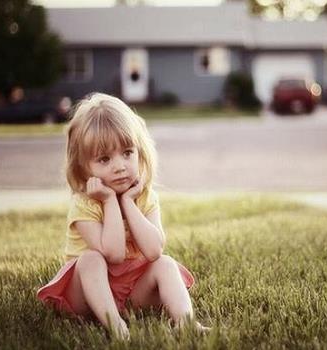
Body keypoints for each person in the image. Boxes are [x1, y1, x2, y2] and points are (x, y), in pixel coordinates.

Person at [37, 92, 208, 339]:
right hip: (88, 291)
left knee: (166, 264)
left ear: (140, 152)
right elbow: (114, 254)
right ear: (83, 167)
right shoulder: (84, 204)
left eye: (127, 153)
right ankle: (115, 324)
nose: (119, 166)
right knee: (90, 260)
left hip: (130, 290)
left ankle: (186, 322)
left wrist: (128, 201)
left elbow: (153, 250)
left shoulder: (144, 196)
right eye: (104, 159)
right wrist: (109, 201)